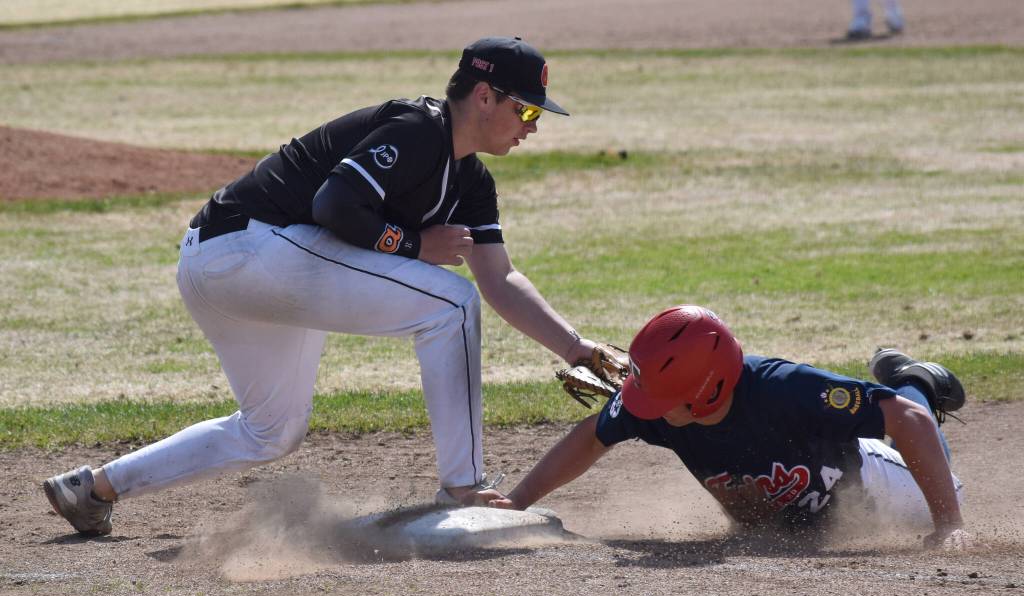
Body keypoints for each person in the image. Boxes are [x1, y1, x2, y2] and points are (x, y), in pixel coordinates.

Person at [43, 36, 598, 536]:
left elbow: (500, 278)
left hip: (232, 265)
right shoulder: (417, 129)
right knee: (450, 305)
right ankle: (463, 484)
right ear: (484, 95)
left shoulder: (471, 181)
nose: (533, 124)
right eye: (525, 108)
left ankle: (93, 488)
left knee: (270, 431)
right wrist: (414, 245)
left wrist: (577, 348)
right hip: (250, 246)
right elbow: (332, 205)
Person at [491, 305, 972, 550]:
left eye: (661, 398)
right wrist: (517, 501)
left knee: (927, 450)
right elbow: (592, 434)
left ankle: (918, 380)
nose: (647, 409)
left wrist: (949, 528)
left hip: (872, 486)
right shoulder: (659, 408)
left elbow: (906, 423)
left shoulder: (786, 388)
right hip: (798, 521)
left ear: (708, 392)